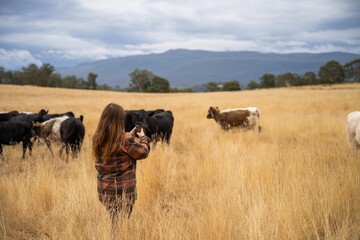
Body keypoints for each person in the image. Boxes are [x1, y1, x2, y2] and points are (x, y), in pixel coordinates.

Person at [92, 103, 150, 223]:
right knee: (122, 224)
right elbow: (143, 152)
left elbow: (117, 143)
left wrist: (129, 135)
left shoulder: (97, 138)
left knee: (114, 220)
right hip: (124, 193)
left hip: (105, 192)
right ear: (119, 120)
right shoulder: (125, 141)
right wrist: (143, 138)